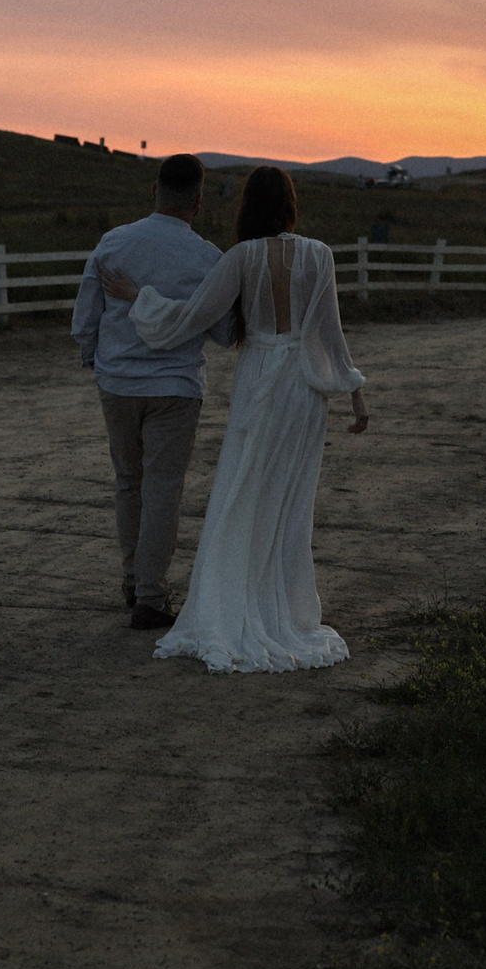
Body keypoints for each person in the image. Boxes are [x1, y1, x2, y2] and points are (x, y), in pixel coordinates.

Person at [99, 165, 369, 673]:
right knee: (289, 500)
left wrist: (139, 297)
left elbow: (192, 318)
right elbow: (331, 332)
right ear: (290, 203)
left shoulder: (241, 258)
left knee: (240, 491)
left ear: (249, 206)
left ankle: (232, 606)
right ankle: (283, 608)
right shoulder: (320, 255)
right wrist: (354, 394)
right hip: (306, 391)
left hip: (262, 380)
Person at [71, 154, 236, 630]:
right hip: (177, 387)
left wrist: (97, 361)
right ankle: (151, 594)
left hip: (119, 382)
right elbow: (223, 333)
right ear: (200, 201)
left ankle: (131, 578)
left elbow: (87, 316)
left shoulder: (114, 242)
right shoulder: (209, 258)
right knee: (163, 488)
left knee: (129, 481)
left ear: (154, 190)